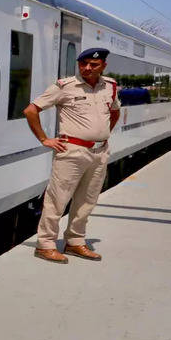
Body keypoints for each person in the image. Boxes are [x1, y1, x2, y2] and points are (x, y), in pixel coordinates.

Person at [22, 48, 120, 263]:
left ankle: (75, 242)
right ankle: (45, 245)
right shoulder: (65, 86)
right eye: (83, 63)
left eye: (93, 65)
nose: (87, 68)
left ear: (103, 66)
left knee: (87, 200)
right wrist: (44, 139)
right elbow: (31, 111)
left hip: (99, 152)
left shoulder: (110, 86)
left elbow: (114, 112)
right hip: (72, 151)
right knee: (57, 200)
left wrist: (101, 135)